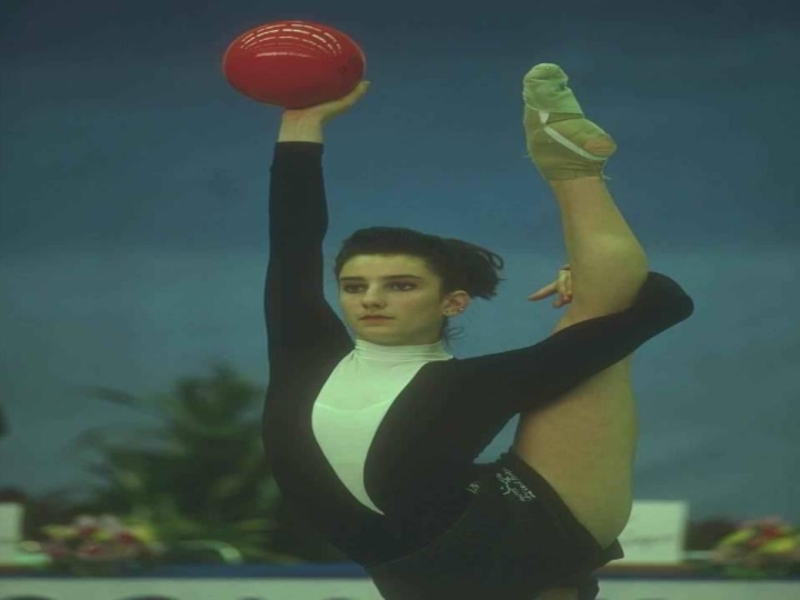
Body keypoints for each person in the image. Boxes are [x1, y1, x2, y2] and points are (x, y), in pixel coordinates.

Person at [261, 64, 694, 600]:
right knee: (603, 307)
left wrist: (589, 280)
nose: (371, 298)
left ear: (453, 302)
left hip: (518, 537)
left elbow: (664, 305)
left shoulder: (475, 385)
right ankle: (575, 183)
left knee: (602, 307)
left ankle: (573, 171)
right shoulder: (304, 353)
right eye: (354, 286)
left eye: (400, 285)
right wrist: (301, 123)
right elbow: (293, 241)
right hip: (448, 566)